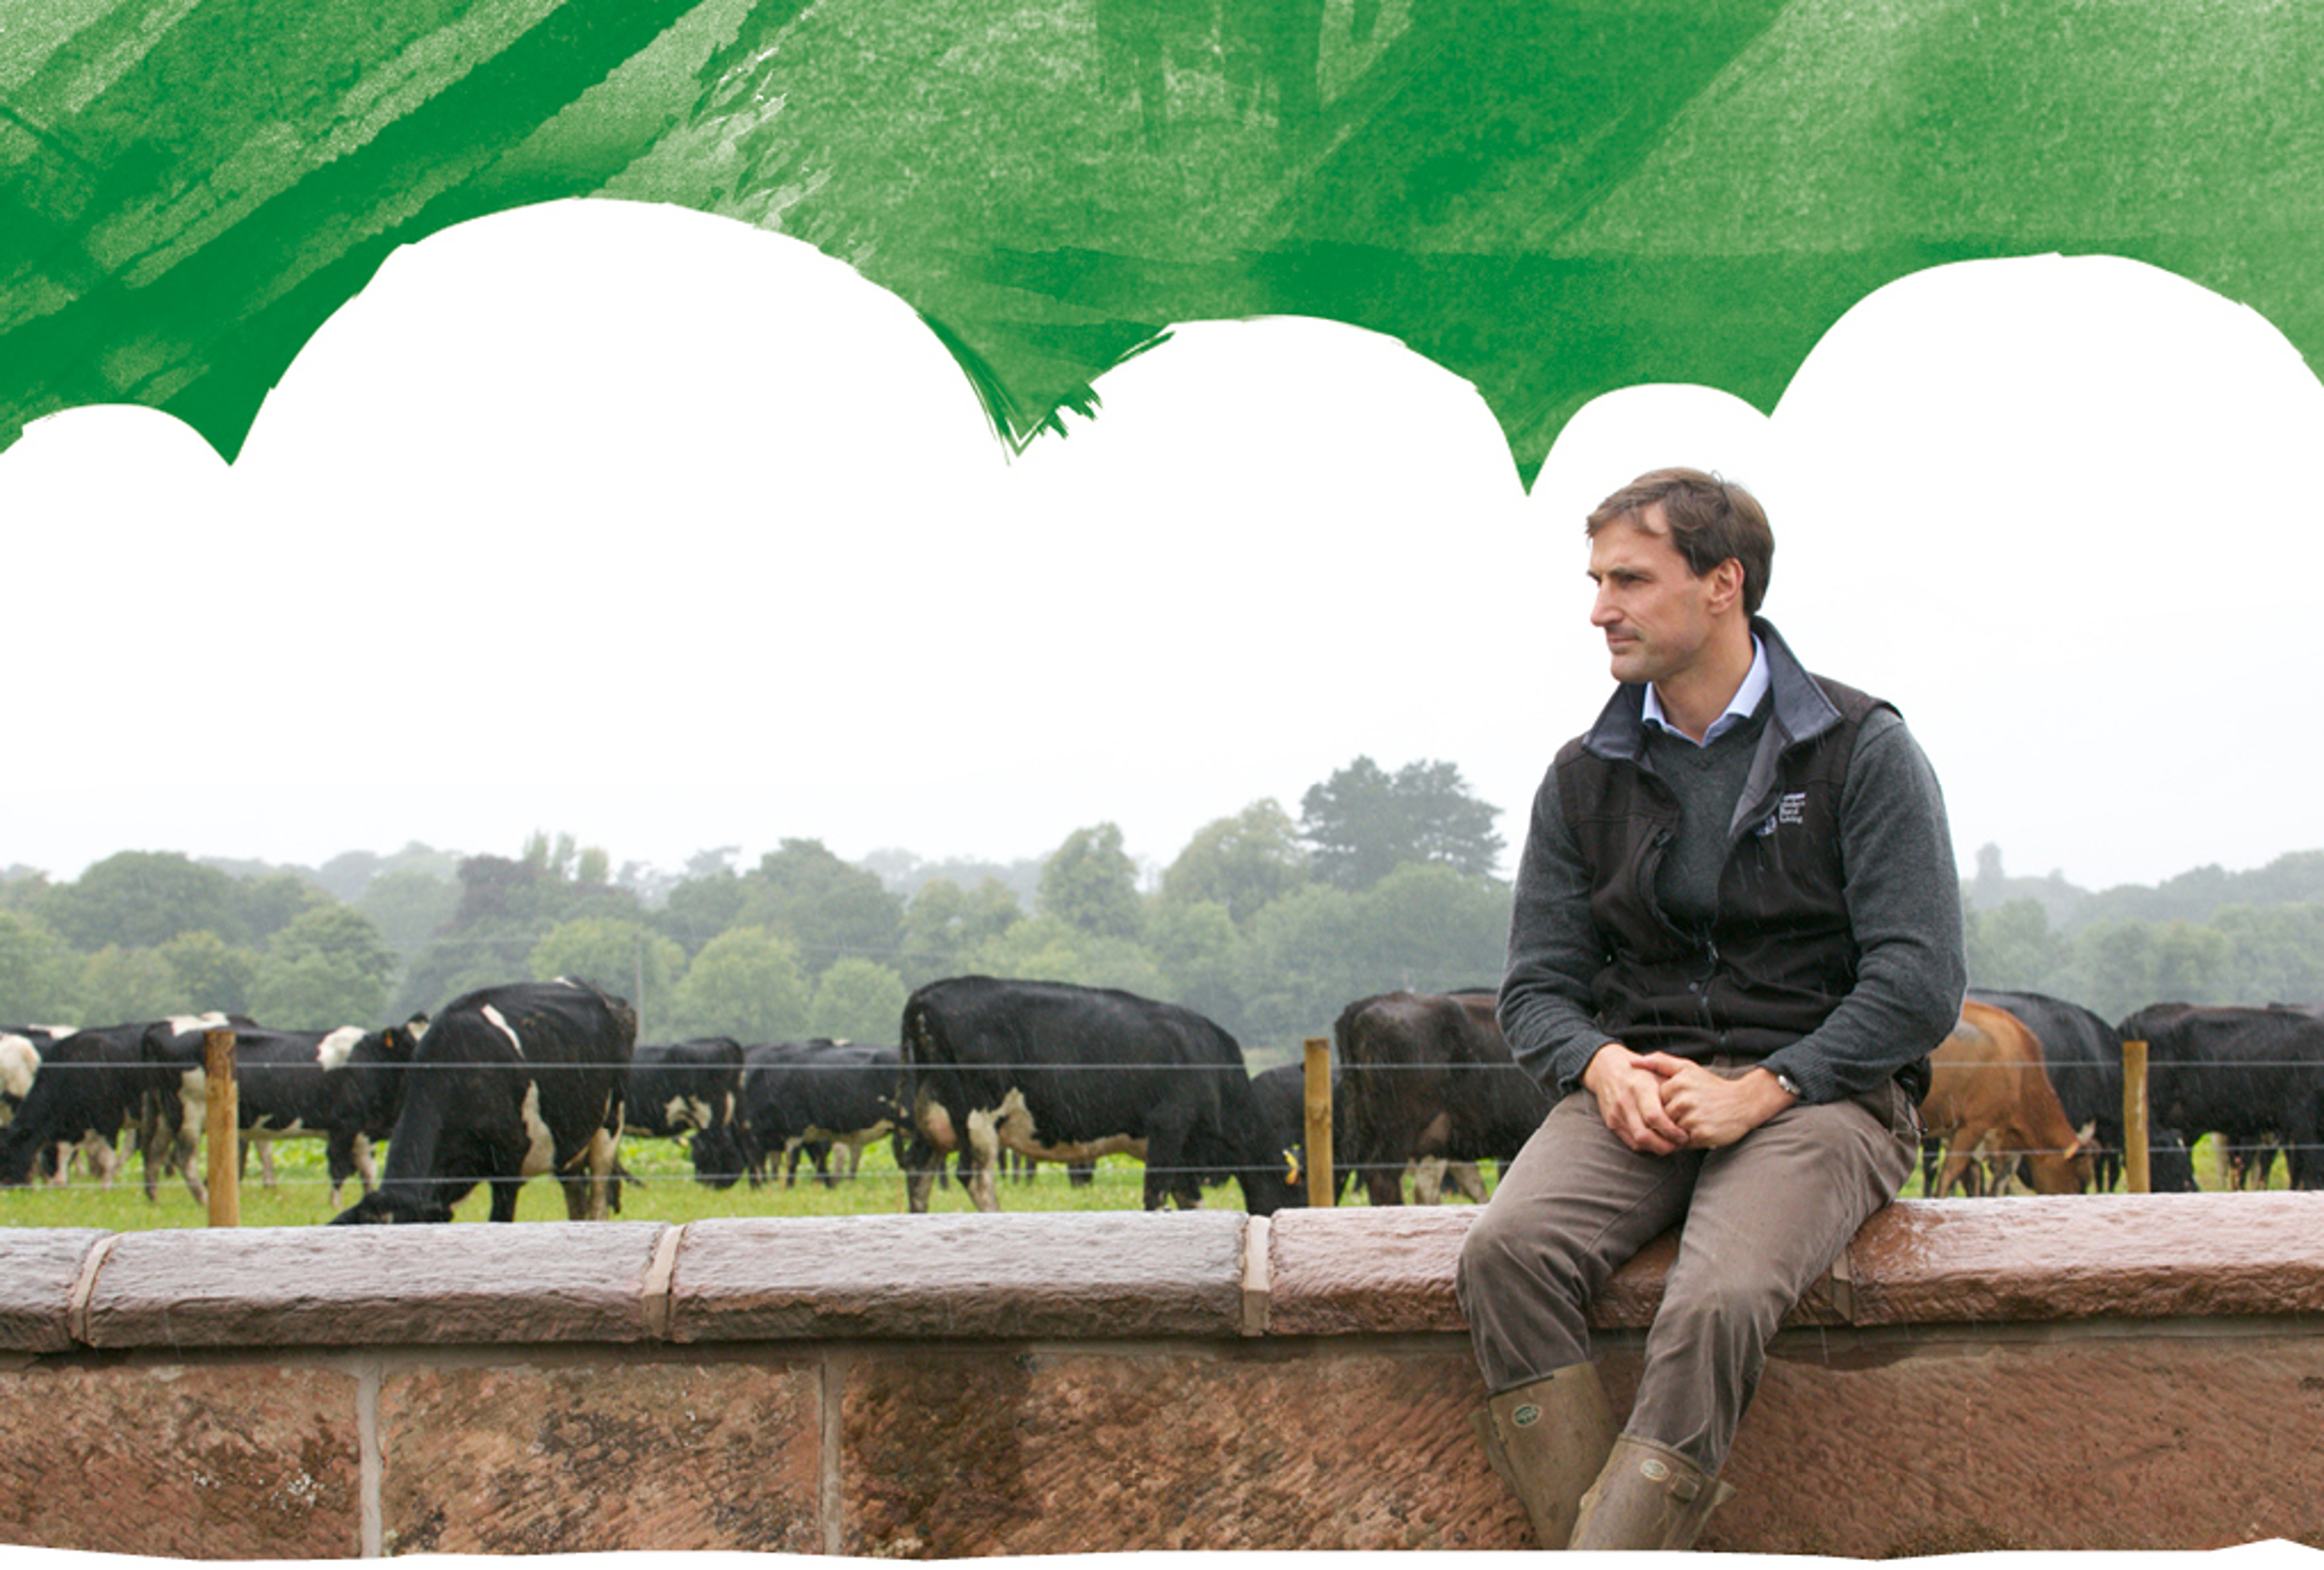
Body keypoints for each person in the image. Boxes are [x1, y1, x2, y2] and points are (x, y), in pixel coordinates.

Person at [1456, 467, 1965, 1551]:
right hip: (1639, 1093)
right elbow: (1536, 988)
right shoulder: (1583, 774)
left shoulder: (1861, 749)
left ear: (1723, 582)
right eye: (1597, 581)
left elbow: (1917, 984)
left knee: (1715, 1299)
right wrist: (1600, 1068)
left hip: (1823, 1096)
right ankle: (1597, 1543)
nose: (1600, 608)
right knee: (1503, 1252)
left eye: (1630, 579)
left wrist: (1764, 1088)